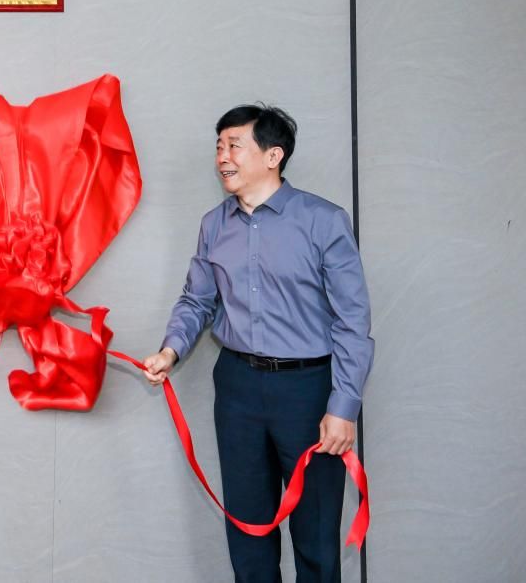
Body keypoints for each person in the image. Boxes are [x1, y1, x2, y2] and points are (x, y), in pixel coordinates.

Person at [141, 105, 374, 583]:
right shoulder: (213, 225)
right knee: (247, 529)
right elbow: (197, 300)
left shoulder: (323, 221)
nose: (222, 157)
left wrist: (344, 406)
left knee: (315, 533)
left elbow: (352, 320)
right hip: (238, 387)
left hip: (308, 391)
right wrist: (170, 350)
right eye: (219, 146)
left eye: (234, 146)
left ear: (273, 155)